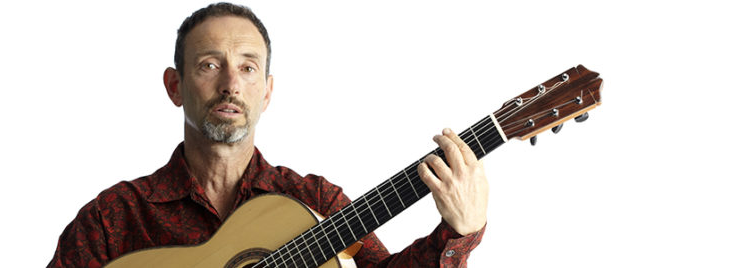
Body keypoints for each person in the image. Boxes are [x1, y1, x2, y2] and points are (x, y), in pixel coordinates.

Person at [48, 2, 489, 267]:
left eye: (247, 67)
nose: (230, 84)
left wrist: (459, 231)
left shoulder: (315, 201)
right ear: (174, 86)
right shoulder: (113, 218)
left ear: (267, 91)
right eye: (208, 65)